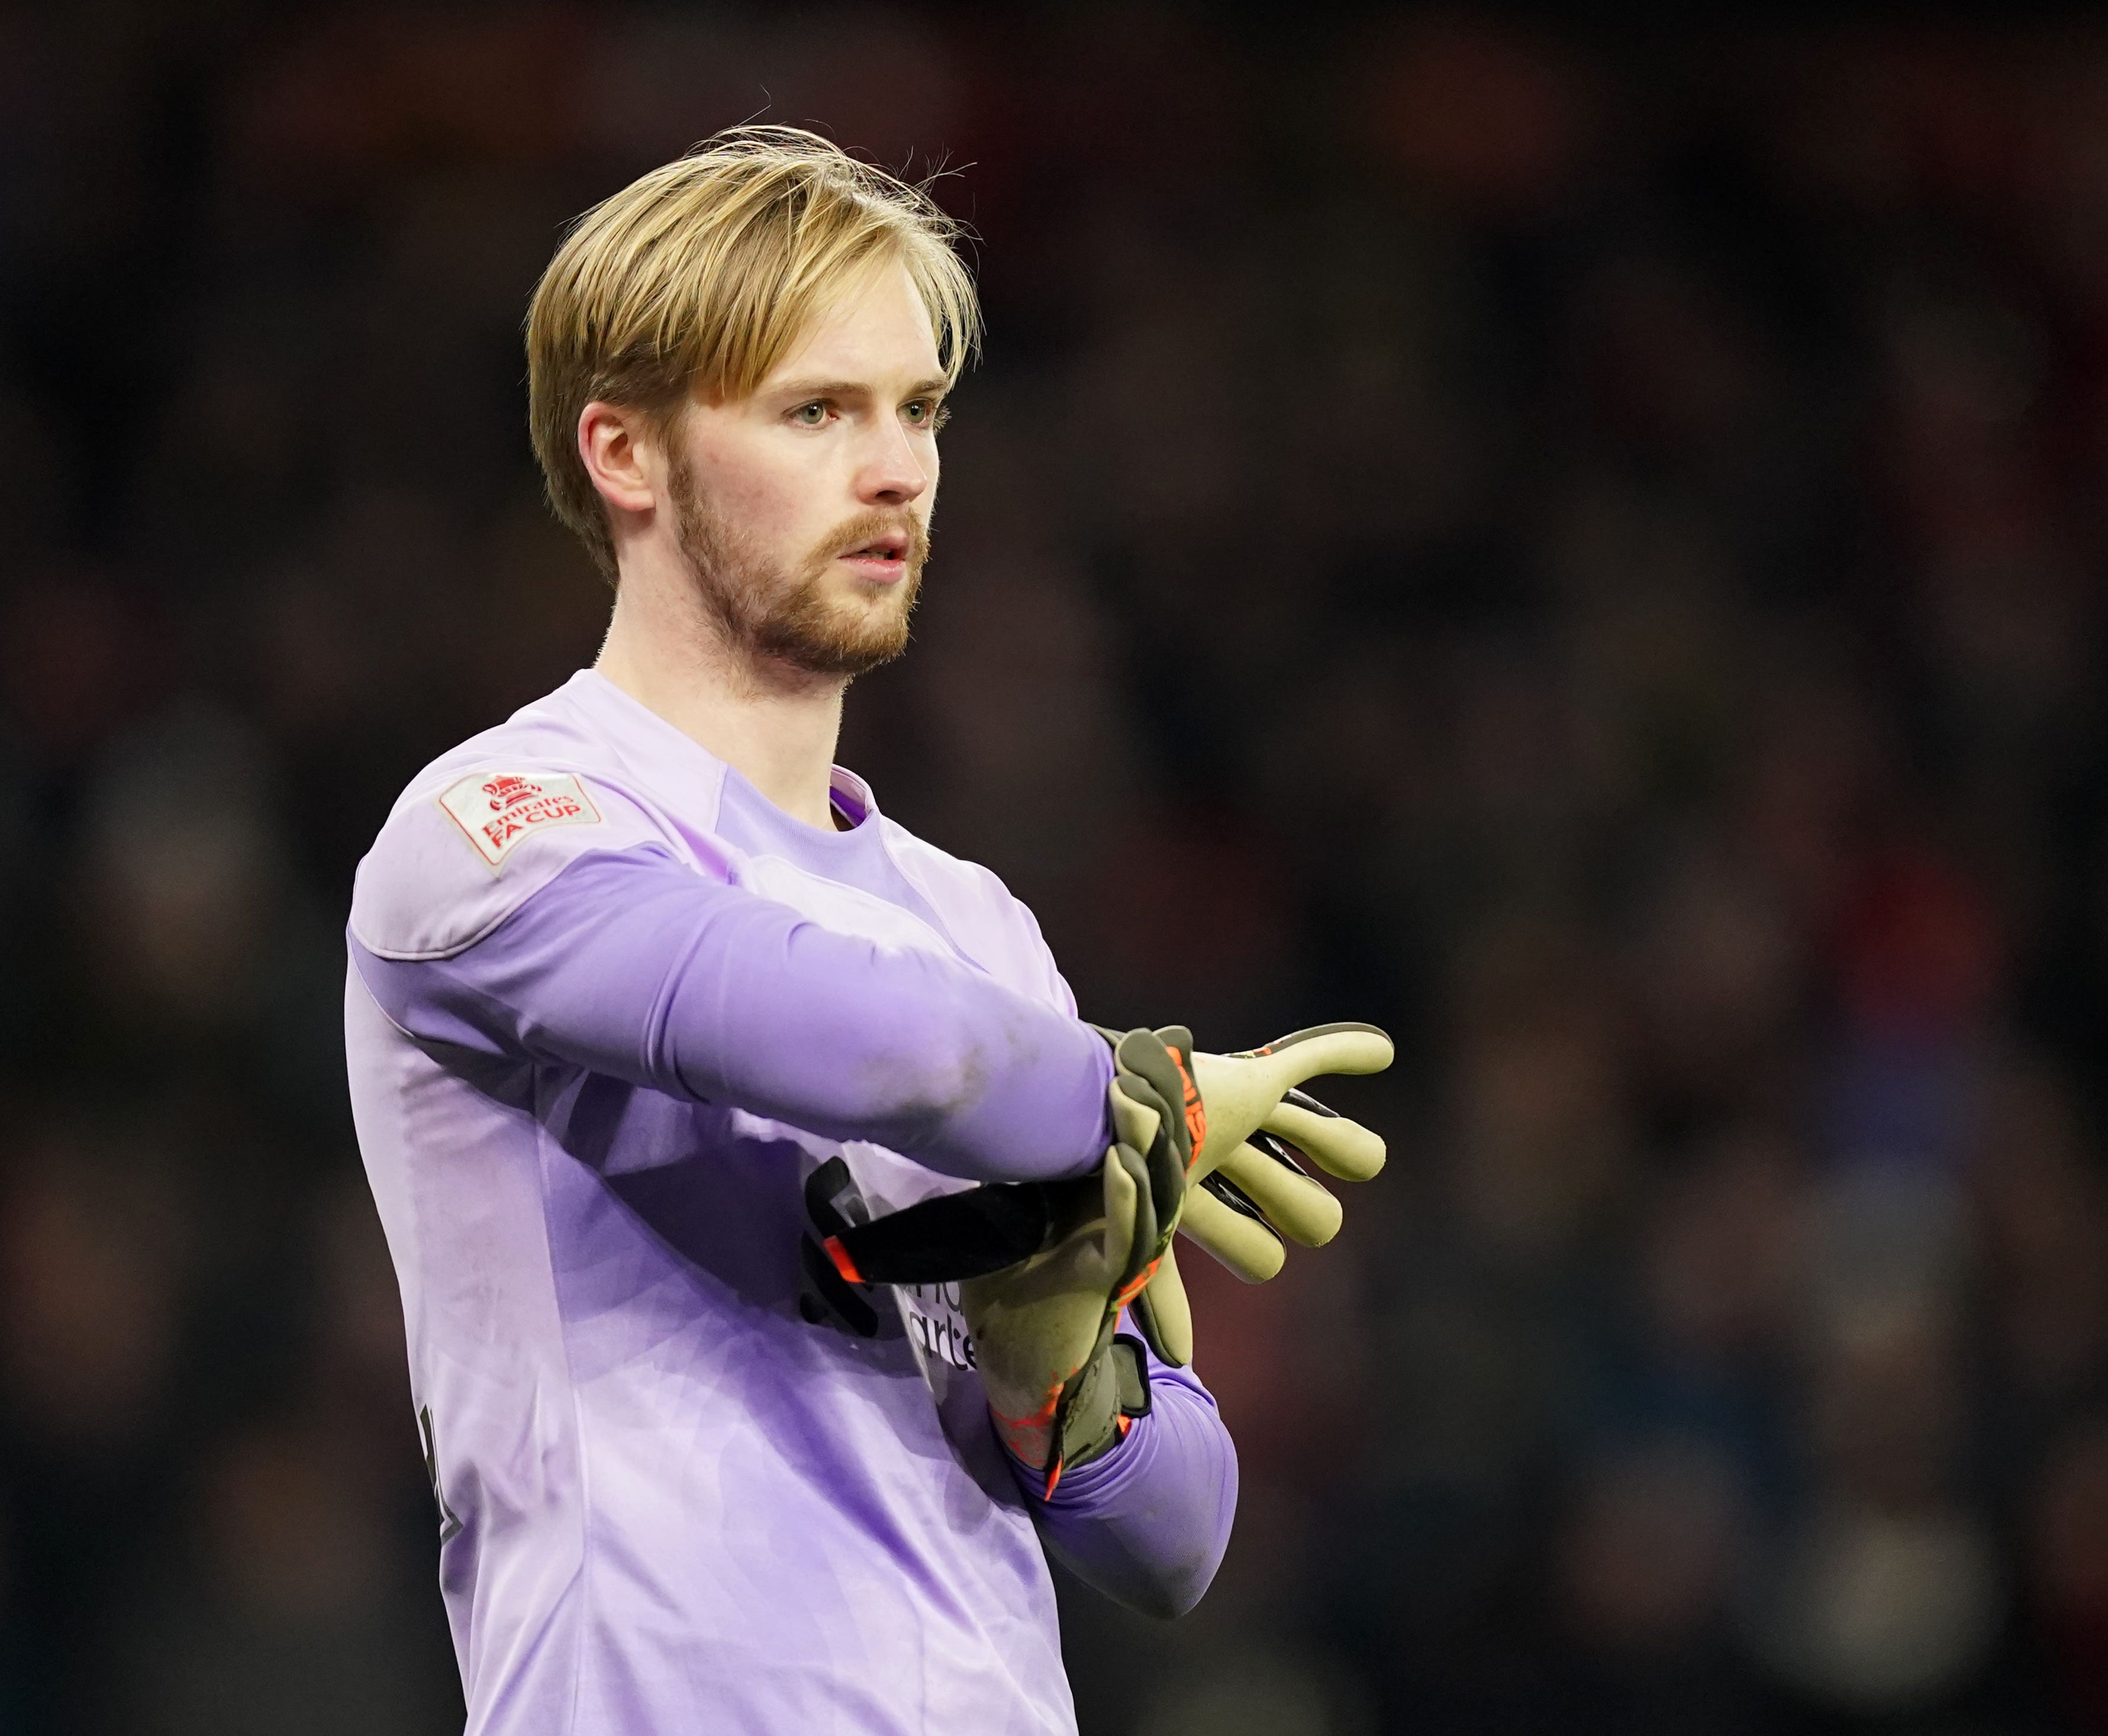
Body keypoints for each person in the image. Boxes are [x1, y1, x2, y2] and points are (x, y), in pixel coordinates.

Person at [341, 127, 1388, 1734]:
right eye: (817, 410)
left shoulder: (975, 922)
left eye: (918, 411)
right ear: (626, 453)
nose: (897, 467)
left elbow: (1177, 1540)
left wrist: (1053, 1377)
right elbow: (902, 1053)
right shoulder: (498, 826)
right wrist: (1127, 1101)